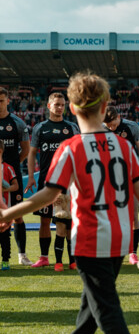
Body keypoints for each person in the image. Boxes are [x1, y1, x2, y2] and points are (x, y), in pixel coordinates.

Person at [0, 71, 139, 334]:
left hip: (89, 239)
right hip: (120, 239)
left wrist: (7, 213)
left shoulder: (71, 147)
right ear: (104, 105)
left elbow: (48, 195)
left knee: (107, 310)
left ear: (72, 108)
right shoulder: (123, 146)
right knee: (94, 301)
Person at [25, 93, 80, 271]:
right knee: (45, 220)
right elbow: (32, 153)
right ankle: (44, 257)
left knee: (68, 223)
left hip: (67, 184)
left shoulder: (71, 127)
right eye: (56, 104)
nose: (60, 108)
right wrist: (32, 176)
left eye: (62, 105)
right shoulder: (40, 128)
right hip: (46, 182)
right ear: (48, 106)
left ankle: (71, 260)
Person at [104, 105, 139, 265]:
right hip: (109, 178)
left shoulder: (131, 126)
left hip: (130, 176)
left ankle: (133, 252)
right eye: (108, 126)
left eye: (113, 125)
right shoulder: (101, 128)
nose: (112, 128)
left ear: (118, 117)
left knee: (133, 215)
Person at [0, 87, 32, 266]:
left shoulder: (17, 123)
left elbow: (26, 150)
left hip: (13, 176)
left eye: (1, 101)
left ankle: (22, 255)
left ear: (7, 101)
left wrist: (10, 168)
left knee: (18, 215)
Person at [0, 140, 19, 270]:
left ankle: (5, 260)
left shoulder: (7, 168)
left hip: (5, 209)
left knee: (5, 236)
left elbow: (16, 186)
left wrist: (3, 189)